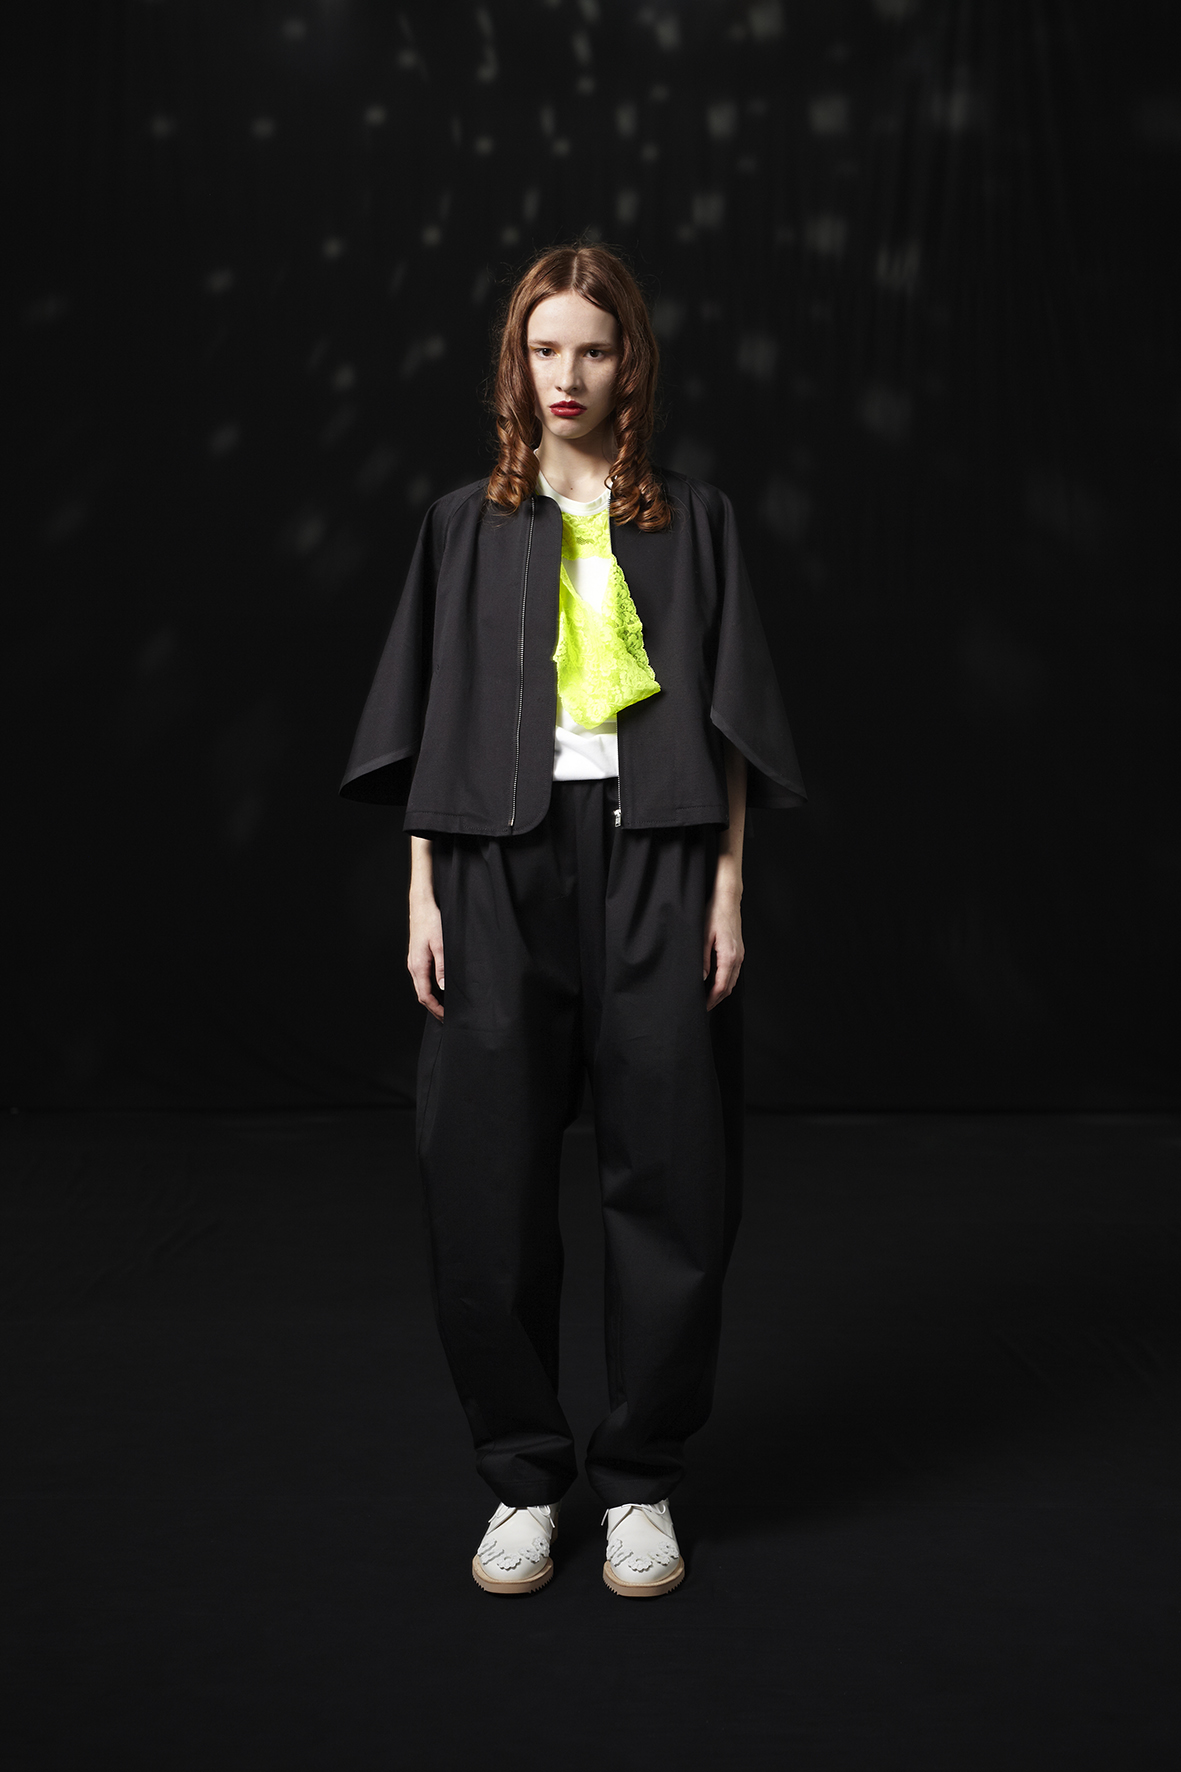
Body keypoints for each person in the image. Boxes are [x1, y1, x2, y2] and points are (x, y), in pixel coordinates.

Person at [341, 243, 804, 1597]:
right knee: (483, 1181)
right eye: (545, 349)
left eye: (592, 350)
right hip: (492, 861)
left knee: (674, 1172)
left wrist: (726, 888)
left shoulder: (693, 521)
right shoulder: (461, 525)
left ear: (627, 365)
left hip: (659, 855)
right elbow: (429, 719)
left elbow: (729, 725)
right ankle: (522, 1479)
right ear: (516, 364)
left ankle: (641, 1477)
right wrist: (422, 891)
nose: (568, 374)